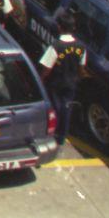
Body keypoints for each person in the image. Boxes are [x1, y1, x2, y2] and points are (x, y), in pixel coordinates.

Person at [38, 11, 86, 145]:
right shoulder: (81, 46)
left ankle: (52, 132)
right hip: (71, 83)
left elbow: (47, 68)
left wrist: (40, 81)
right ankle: (62, 136)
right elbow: (82, 67)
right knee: (66, 108)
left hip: (56, 83)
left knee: (55, 108)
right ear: (73, 27)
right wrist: (79, 78)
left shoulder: (56, 46)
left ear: (59, 27)